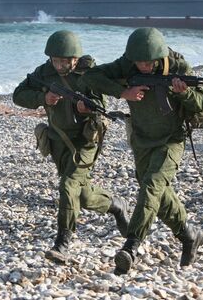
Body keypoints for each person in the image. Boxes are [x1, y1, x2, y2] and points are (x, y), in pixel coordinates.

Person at [80, 27, 203, 275]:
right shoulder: (127, 65)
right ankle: (189, 234)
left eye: (148, 63)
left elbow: (202, 104)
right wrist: (122, 92)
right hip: (141, 139)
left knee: (151, 186)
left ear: (160, 56)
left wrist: (186, 93)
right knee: (155, 194)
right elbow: (90, 77)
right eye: (139, 62)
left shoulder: (178, 67)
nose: (144, 67)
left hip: (171, 139)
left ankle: (131, 246)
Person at [13, 30, 130, 264]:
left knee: (68, 187)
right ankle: (116, 205)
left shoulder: (88, 74)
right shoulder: (43, 73)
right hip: (58, 142)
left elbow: (100, 105)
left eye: (64, 61)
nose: (58, 65)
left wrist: (85, 109)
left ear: (75, 59)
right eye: (55, 60)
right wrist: (42, 98)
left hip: (85, 140)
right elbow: (18, 95)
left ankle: (62, 243)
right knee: (82, 195)